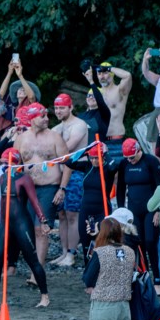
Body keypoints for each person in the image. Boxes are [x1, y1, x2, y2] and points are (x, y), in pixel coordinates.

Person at [0, 148, 50, 309]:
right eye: (3, 163)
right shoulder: (2, 178)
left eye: (7, 163)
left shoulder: (24, 179)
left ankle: (44, 295)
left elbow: (34, 201)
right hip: (6, 224)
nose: (4, 166)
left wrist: (43, 221)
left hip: (21, 223)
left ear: (15, 164)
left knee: (32, 260)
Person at [13, 102, 70, 270]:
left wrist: (62, 188)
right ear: (31, 119)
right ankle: (28, 266)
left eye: (46, 115)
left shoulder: (54, 137)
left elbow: (68, 163)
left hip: (48, 188)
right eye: (42, 116)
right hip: (27, 189)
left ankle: (37, 272)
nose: (46, 119)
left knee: (41, 229)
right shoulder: (21, 139)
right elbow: (15, 164)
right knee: (28, 229)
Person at [117, 138, 160, 290]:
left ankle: (157, 278)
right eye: (127, 158)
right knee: (138, 243)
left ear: (139, 151)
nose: (130, 161)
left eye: (132, 157)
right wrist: (120, 212)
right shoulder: (124, 164)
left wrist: (158, 211)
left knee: (151, 242)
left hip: (151, 209)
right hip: (133, 210)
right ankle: (144, 276)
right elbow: (120, 189)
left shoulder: (150, 161)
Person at [51, 93, 89, 268]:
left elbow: (67, 149)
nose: (58, 111)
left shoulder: (79, 125)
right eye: (56, 108)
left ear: (70, 107)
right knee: (62, 215)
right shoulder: (57, 128)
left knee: (73, 214)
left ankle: (72, 253)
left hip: (76, 172)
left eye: (62, 108)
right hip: (60, 173)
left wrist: (55, 147)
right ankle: (64, 251)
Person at [63, 143, 119, 256]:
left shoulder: (108, 168)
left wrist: (106, 152)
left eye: (96, 158)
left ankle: (102, 267)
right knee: (86, 240)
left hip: (102, 209)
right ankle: (87, 269)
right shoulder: (87, 166)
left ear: (102, 157)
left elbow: (114, 166)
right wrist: (84, 151)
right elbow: (69, 162)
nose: (94, 161)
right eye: (91, 158)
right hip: (86, 210)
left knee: (102, 240)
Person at [84, 60, 132, 160]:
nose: (102, 76)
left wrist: (109, 68)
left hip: (116, 140)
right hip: (98, 141)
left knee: (118, 173)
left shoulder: (119, 90)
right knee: (102, 174)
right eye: (99, 73)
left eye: (105, 73)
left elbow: (127, 76)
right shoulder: (94, 93)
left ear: (112, 74)